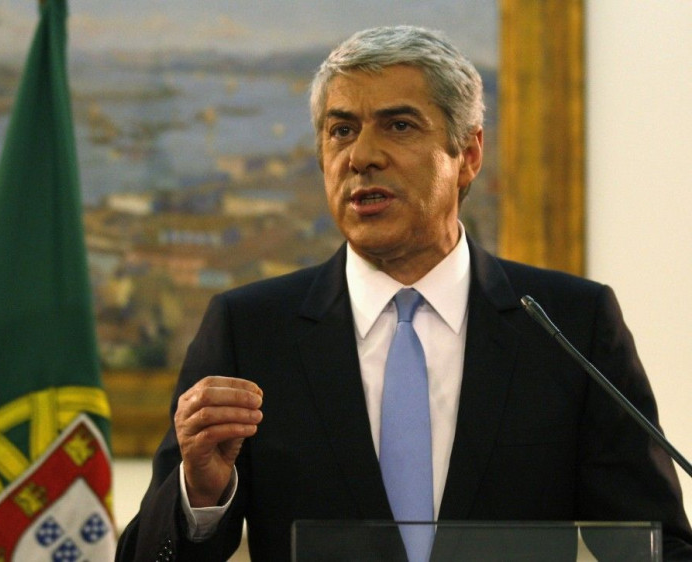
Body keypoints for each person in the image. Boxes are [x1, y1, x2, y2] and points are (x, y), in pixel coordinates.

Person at [115, 26, 692, 561]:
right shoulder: (250, 329)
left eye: (398, 125)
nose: (361, 156)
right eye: (341, 130)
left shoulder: (571, 322)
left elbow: (655, 543)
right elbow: (147, 554)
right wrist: (200, 492)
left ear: (467, 155)